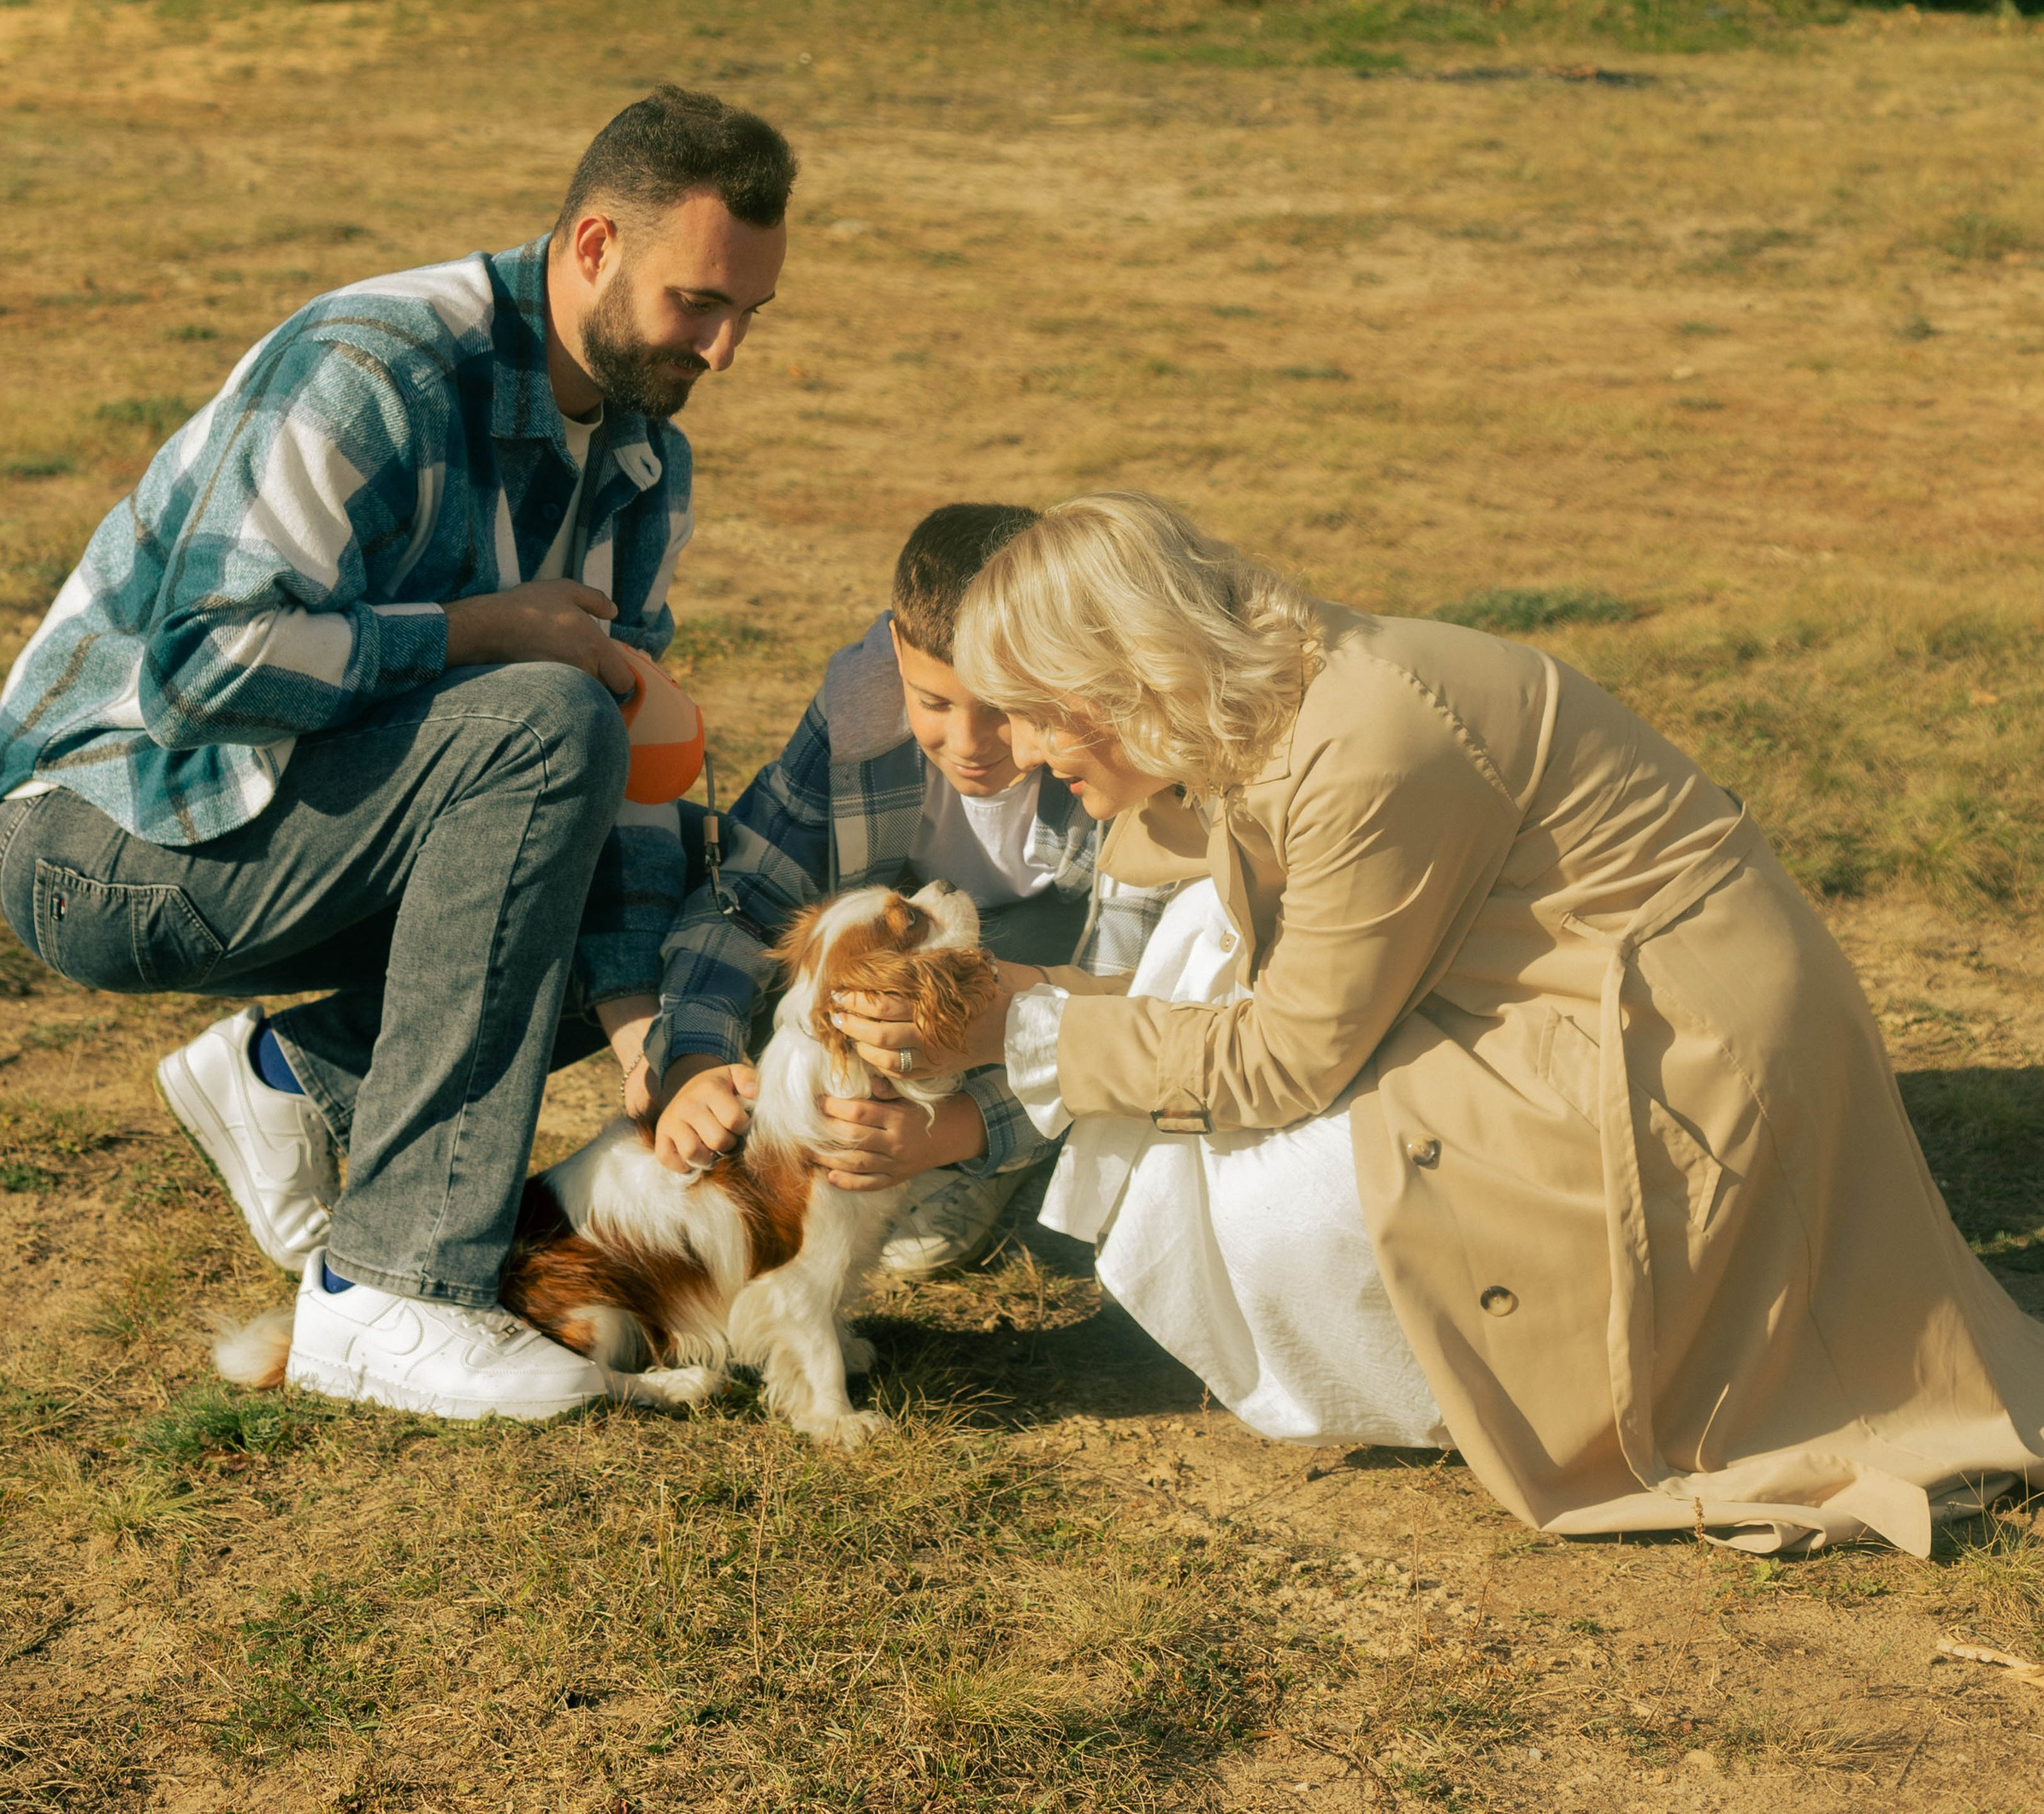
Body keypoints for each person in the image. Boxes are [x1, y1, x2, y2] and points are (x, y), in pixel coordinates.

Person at [827, 492, 2044, 1556]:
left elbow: (1283, 1058)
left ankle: (1510, 1382)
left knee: (1267, 1190)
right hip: (1587, 1012)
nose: (1024, 752)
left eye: (1039, 713)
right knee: (1198, 967)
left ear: (1129, 675)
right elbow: (1250, 994)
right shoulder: (1281, 701)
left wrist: (1022, 1035)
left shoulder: (1367, 741)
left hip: (1673, 1059)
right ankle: (1475, 1367)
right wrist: (1020, 1011)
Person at [0, 86, 794, 1423]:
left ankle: (292, 1084)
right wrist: (478, 631)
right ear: (594, 247)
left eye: (749, 311)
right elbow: (199, 666)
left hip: (302, 829)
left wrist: (649, 1029)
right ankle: (393, 1293)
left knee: (694, 895)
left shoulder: (646, 464)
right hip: (103, 833)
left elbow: (631, 764)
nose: (726, 347)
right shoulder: (377, 364)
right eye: (698, 303)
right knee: (544, 722)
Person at [645, 502, 1165, 1272]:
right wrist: (694, 1057)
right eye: (935, 703)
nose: (970, 745)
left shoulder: (1118, 749)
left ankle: (993, 1156)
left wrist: (963, 1126)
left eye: (1004, 707)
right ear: (896, 651)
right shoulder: (859, 707)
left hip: (1045, 979)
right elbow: (750, 895)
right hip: (899, 963)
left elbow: (1143, 998)